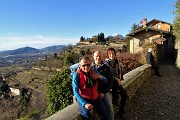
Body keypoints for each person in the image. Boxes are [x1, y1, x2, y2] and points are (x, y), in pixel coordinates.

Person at [105, 47, 128, 118]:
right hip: (111, 83)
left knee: (124, 96)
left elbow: (119, 71)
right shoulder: (106, 64)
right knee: (116, 95)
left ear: (115, 54)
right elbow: (108, 75)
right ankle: (116, 100)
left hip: (117, 82)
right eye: (109, 54)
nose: (111, 55)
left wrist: (120, 78)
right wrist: (117, 79)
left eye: (112, 53)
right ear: (107, 55)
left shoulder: (116, 61)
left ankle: (121, 111)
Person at [91, 51, 114, 120]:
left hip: (104, 91)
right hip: (94, 92)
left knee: (109, 107)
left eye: (100, 56)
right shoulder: (90, 68)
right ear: (93, 57)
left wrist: (103, 92)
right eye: (96, 56)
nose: (98, 58)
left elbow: (111, 81)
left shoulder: (106, 67)